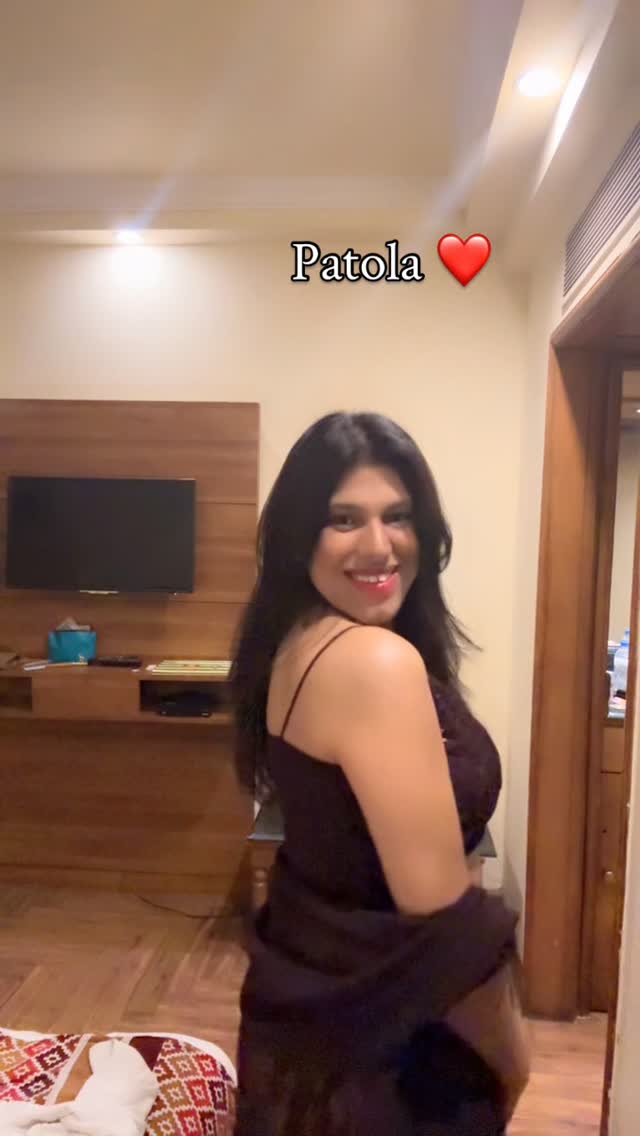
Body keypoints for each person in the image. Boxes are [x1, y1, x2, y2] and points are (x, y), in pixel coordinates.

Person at [230, 411, 529, 1135]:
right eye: (344, 519)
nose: (377, 545)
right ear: (300, 537)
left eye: (397, 516)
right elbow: (444, 928)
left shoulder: (297, 640)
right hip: (385, 1060)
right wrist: (513, 1061)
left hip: (307, 1033)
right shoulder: (374, 662)